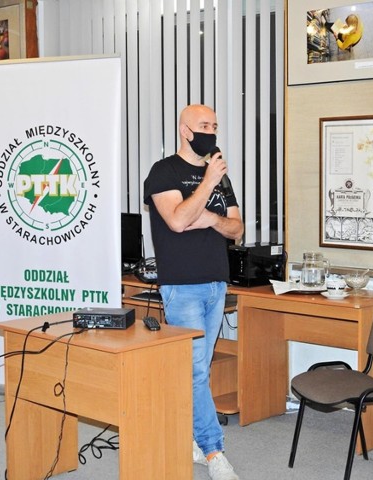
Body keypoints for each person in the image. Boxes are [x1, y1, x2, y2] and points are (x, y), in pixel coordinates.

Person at [143, 104, 243, 480]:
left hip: (217, 282)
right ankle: (214, 451)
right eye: (204, 125)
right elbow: (178, 220)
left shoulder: (219, 175)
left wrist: (213, 219)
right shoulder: (163, 172)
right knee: (196, 371)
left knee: (196, 370)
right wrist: (206, 187)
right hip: (182, 284)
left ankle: (189, 438)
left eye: (215, 125)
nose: (211, 131)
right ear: (185, 130)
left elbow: (237, 229)